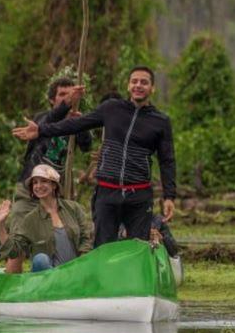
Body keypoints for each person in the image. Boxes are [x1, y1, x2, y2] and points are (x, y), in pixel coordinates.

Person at [12, 66, 176, 248]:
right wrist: (41, 130)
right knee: (103, 246)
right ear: (128, 86)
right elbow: (76, 124)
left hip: (139, 195)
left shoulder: (160, 121)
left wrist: (169, 196)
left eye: (144, 82)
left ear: (152, 88)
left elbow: (167, 160)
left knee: (137, 248)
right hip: (107, 192)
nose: (138, 85)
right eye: (134, 81)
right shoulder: (112, 108)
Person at [10, 77, 92, 230]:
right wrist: (66, 105)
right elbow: (47, 122)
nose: (67, 98)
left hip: (55, 192)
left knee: (54, 237)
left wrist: (81, 124)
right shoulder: (42, 119)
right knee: (19, 233)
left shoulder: (75, 122)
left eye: (70, 94)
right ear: (51, 100)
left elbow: (86, 146)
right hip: (30, 187)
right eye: (62, 95)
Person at [0, 164, 93, 273]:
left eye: (44, 181)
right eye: (35, 182)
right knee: (40, 259)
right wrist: (0, 226)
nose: (38, 186)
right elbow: (14, 252)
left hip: (74, 272)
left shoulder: (73, 208)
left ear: (54, 185)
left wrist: (83, 262)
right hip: (47, 279)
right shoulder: (30, 219)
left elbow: (86, 237)